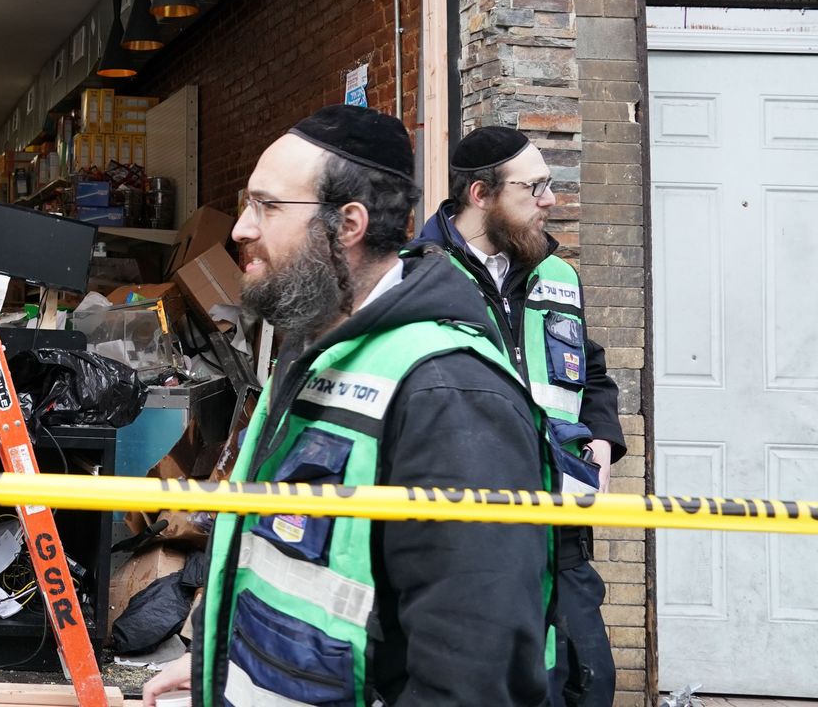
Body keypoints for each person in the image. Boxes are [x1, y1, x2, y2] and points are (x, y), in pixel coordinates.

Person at [141, 105, 554, 706]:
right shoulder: (311, 352)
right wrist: (222, 661)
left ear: (348, 224)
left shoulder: (449, 392)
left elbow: (473, 673)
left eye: (267, 206)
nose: (240, 229)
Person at [409, 125, 625, 707]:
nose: (549, 201)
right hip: (468, 534)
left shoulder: (557, 274)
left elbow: (592, 370)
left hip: (562, 528)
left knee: (586, 684)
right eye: (534, 188)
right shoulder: (414, 278)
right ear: (481, 196)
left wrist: (602, 440)